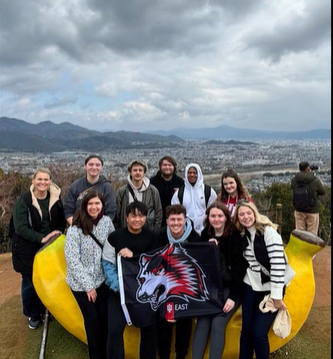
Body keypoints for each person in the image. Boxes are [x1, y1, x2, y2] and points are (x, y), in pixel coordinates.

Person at [102, 201, 160, 359]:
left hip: (144, 292)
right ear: (126, 217)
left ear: (145, 218)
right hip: (119, 292)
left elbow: (154, 266)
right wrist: (120, 287)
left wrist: (133, 255)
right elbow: (107, 265)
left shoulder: (152, 238)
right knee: (114, 330)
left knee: (149, 329)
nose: (137, 219)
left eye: (141, 216)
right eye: (133, 215)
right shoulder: (114, 237)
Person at [12, 168, 66, 329]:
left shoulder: (55, 198)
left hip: (49, 245)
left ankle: (45, 310)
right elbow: (20, 227)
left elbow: (60, 218)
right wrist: (41, 238)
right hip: (26, 247)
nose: (42, 183)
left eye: (46, 180)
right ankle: (32, 313)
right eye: (39, 179)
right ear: (33, 181)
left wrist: (56, 234)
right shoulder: (24, 200)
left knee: (48, 278)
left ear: (50, 181)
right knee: (29, 281)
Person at [233, 200, 287, 359]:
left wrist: (277, 296)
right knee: (246, 332)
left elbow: (278, 264)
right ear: (237, 217)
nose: (245, 217)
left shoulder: (268, 232)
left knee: (258, 333)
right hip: (250, 285)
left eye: (248, 213)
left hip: (270, 288)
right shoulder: (242, 234)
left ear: (255, 213)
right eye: (241, 214)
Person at [65, 190, 115, 359]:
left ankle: (106, 353)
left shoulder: (107, 222)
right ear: (85, 206)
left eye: (97, 203)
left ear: (102, 205)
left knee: (104, 319)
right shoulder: (75, 228)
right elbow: (72, 259)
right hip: (81, 284)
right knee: (92, 321)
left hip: (101, 279)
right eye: (90, 204)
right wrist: (88, 287)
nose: (94, 207)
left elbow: (112, 244)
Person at [192, 202, 244, 359]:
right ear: (208, 218)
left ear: (226, 217)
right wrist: (207, 248)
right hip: (211, 288)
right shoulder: (205, 235)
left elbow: (238, 270)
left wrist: (233, 298)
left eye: (220, 216)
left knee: (218, 323)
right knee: (203, 321)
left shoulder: (234, 236)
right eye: (213, 216)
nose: (216, 219)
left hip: (230, 288)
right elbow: (200, 264)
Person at [157, 204, 201, 359]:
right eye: (172, 220)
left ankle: (181, 356)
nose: (176, 223)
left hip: (185, 289)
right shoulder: (159, 236)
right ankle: (164, 355)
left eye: (179, 219)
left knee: (184, 324)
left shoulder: (195, 238)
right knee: (163, 323)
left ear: (185, 220)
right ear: (167, 221)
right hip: (164, 288)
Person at [63, 155, 117, 225]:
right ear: (85, 166)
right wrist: (76, 227)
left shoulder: (107, 187)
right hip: (78, 226)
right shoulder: (76, 185)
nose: (94, 167)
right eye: (91, 164)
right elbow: (68, 209)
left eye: (97, 165)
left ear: (101, 167)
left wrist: (101, 228)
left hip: (101, 228)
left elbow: (111, 210)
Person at [114, 159, 162, 231]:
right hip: (126, 231)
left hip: (147, 231)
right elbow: (117, 214)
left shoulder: (152, 191)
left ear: (144, 172)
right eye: (135, 170)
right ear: (130, 172)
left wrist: (155, 230)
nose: (137, 172)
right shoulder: (122, 191)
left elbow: (158, 212)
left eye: (140, 170)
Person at [171, 163, 217, 234]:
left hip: (207, 230)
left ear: (199, 174)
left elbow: (215, 209)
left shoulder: (208, 191)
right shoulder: (179, 193)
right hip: (186, 231)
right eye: (189, 173)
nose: (192, 175)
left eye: (194, 173)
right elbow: (175, 212)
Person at [291, 161, 326, 235]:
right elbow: (322, 191)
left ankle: (301, 247)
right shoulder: (314, 180)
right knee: (312, 235)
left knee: (300, 234)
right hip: (312, 210)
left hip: (299, 209)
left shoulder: (294, 180)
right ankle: (310, 247)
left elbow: (292, 188)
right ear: (308, 168)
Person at [150, 156, 184, 226]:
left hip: (176, 220)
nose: (167, 167)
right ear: (160, 167)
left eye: (170, 165)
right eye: (165, 165)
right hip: (158, 220)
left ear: (174, 167)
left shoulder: (180, 182)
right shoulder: (152, 182)